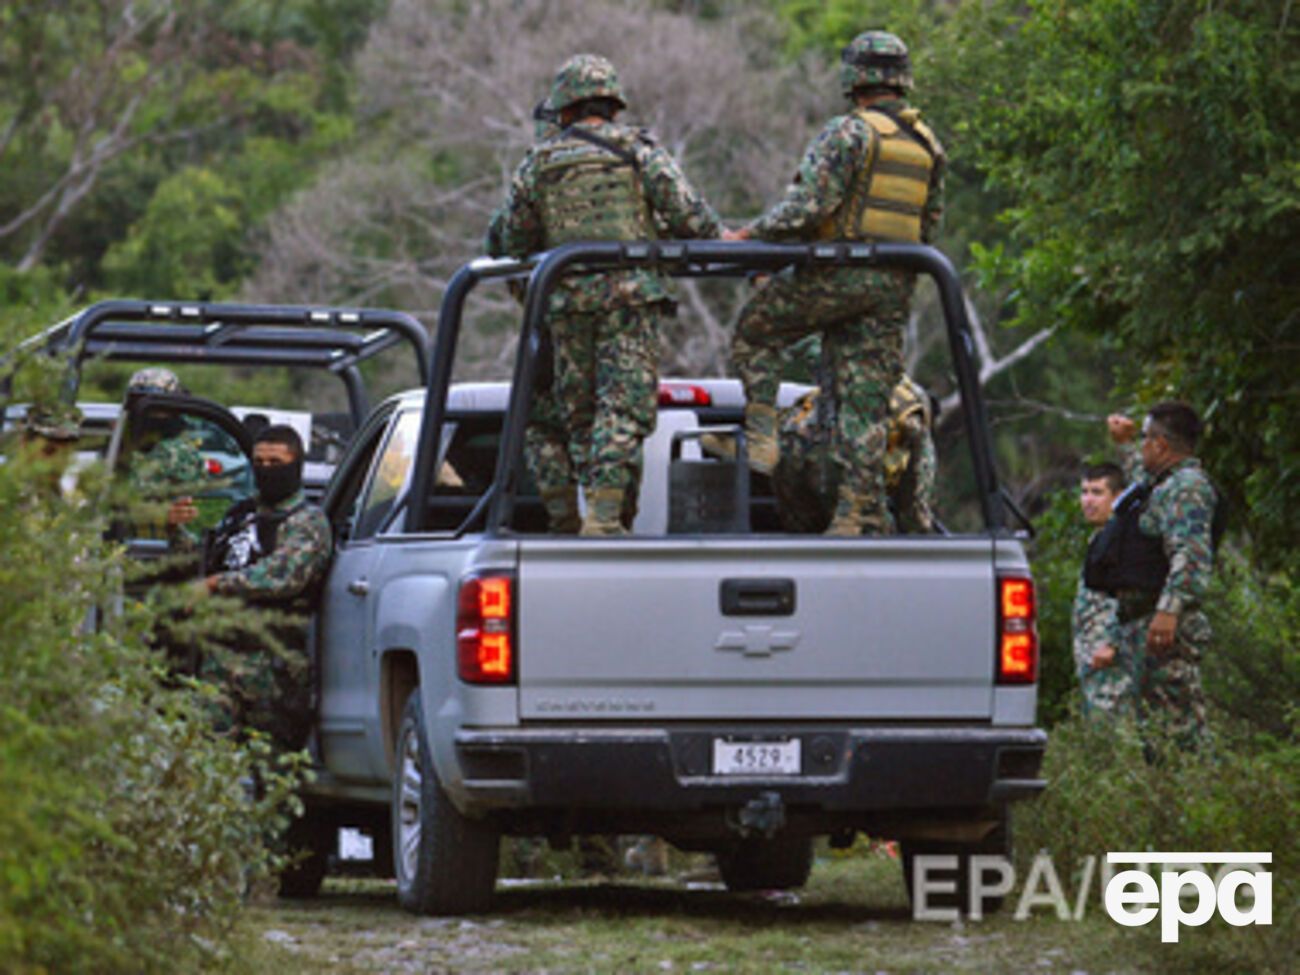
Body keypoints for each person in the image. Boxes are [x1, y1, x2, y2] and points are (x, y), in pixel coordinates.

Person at [725, 29, 946, 536]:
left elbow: (809, 207)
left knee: (755, 331)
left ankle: (762, 431)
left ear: (854, 79)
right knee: (864, 402)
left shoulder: (849, 133)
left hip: (837, 275)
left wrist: (749, 236)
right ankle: (854, 512)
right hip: (892, 288)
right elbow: (928, 227)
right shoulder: (928, 145)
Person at [495, 53, 722, 535]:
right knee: (623, 409)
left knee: (581, 414)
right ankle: (604, 518)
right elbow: (691, 218)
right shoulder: (638, 150)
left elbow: (513, 242)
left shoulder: (538, 163)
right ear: (613, 104)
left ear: (565, 107)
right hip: (629, 302)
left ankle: (599, 515)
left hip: (567, 304)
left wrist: (537, 294)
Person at [1088, 402, 1219, 747]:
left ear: (1161, 445)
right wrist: (1125, 443)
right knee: (1156, 735)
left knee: (1179, 734)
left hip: (1164, 629)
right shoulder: (1162, 484)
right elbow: (1140, 478)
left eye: (1145, 438)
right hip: (1144, 625)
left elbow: (1191, 554)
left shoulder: (1187, 488)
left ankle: (1198, 783)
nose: (1142, 444)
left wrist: (1169, 611)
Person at [196, 424, 332, 752]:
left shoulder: (307, 521)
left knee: (273, 768)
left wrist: (217, 585)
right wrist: (175, 530)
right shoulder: (241, 515)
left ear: (296, 465)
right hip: (220, 661)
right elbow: (210, 559)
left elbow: (283, 575)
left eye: (276, 463)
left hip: (272, 669)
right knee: (208, 762)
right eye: (259, 462)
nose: (266, 470)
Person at [1071, 462, 1133, 717]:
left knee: (1112, 724)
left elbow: (1130, 597)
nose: (1088, 501)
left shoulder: (1124, 539)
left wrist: (1112, 643)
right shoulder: (1101, 537)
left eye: (1097, 493)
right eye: (1084, 492)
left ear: (1117, 497)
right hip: (1091, 652)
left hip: (1110, 655)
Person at [121, 367, 204, 546]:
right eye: (141, 404)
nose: (152, 415)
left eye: (159, 408)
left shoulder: (178, 451)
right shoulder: (119, 445)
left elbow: (182, 508)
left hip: (166, 546)